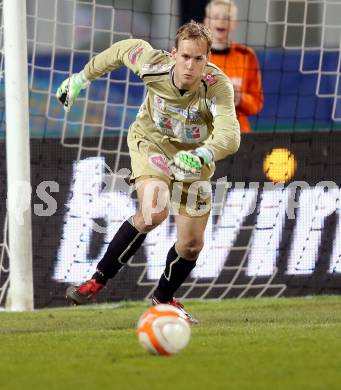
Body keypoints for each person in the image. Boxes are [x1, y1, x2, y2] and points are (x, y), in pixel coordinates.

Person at [57, 20, 240, 324]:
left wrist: (204, 153)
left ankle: (164, 299)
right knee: (154, 209)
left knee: (192, 244)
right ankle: (96, 281)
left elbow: (230, 136)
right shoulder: (153, 64)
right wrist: (80, 79)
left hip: (195, 158)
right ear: (173, 54)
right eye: (184, 57)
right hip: (151, 143)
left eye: (198, 59)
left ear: (207, 59)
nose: (190, 66)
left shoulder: (217, 87)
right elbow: (121, 50)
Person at [204, 0, 264, 132]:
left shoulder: (246, 56)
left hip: (238, 133)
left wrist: (239, 98)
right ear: (206, 21)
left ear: (235, 23)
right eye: (216, 17)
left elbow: (256, 104)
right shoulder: (196, 56)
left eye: (227, 17)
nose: (221, 21)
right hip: (204, 133)